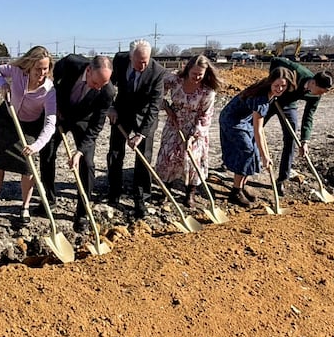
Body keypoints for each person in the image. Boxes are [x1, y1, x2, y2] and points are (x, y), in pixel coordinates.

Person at [38, 54, 115, 233]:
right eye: (96, 83)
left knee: (87, 164)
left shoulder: (107, 91)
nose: (98, 88)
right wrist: (52, 104)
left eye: (102, 85)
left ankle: (82, 212)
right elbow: (52, 79)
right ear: (88, 70)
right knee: (47, 153)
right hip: (59, 113)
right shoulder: (71, 64)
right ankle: (48, 199)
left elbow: (97, 126)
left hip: (84, 120)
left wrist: (80, 152)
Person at [0, 45, 57, 224]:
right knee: (0, 161)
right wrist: (3, 84)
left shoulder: (49, 90)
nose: (42, 73)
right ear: (29, 66)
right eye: (38, 69)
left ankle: (25, 207)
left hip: (29, 126)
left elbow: (50, 123)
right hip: (7, 119)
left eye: (45, 69)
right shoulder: (17, 71)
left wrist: (36, 146)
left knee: (28, 166)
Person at [218, 66, 297, 207]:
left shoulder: (270, 94)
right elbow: (258, 130)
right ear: (270, 82)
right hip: (232, 120)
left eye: (283, 86)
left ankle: (241, 187)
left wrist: (264, 153)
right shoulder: (261, 99)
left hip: (244, 119)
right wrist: (265, 157)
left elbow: (259, 132)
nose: (279, 89)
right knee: (247, 151)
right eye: (276, 85)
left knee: (253, 151)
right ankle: (235, 192)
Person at [106, 39, 165, 219]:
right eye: (139, 61)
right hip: (121, 111)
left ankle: (141, 196)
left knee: (144, 156)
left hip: (145, 115)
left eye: (146, 60)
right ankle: (114, 191)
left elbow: (155, 106)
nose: (143, 64)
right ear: (131, 57)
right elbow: (108, 83)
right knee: (115, 152)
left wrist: (141, 133)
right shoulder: (120, 60)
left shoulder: (158, 72)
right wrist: (111, 106)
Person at [155, 55, 224, 208]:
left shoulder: (208, 91)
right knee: (168, 156)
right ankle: (165, 192)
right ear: (187, 69)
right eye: (194, 73)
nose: (197, 77)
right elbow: (157, 92)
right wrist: (167, 108)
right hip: (174, 123)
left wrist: (193, 136)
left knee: (192, 159)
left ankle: (190, 193)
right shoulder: (175, 80)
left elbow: (205, 116)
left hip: (196, 127)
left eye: (201, 74)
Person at [264, 57, 334, 195]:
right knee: (252, 128)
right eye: (321, 91)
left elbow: (308, 116)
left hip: (288, 104)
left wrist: (305, 141)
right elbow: (275, 60)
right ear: (313, 83)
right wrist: (274, 81)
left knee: (291, 139)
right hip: (272, 97)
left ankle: (282, 180)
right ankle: (235, 161)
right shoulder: (297, 71)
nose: (321, 95)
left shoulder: (316, 96)